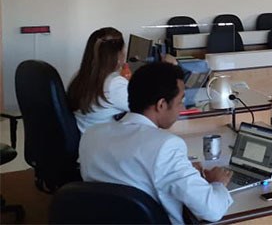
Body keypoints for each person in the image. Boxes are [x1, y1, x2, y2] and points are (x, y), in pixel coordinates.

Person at [79, 63, 233, 224]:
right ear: (161, 105)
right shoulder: (166, 146)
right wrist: (218, 183)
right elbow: (212, 210)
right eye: (180, 101)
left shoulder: (92, 134)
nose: (181, 108)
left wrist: (182, 169)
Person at [67, 27, 128, 133]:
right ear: (118, 54)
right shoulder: (114, 84)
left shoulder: (80, 75)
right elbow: (148, 108)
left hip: (85, 136)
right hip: (102, 140)